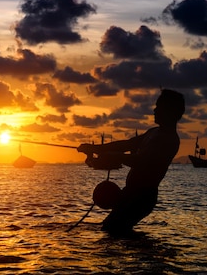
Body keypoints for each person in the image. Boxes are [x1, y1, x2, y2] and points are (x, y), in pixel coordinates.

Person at [77, 89, 185, 235]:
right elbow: (126, 145)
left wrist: (115, 156)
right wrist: (95, 148)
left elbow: (142, 162)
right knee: (113, 229)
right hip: (130, 193)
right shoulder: (153, 132)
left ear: (170, 111)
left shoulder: (169, 139)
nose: (154, 110)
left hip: (142, 198)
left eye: (159, 107)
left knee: (114, 229)